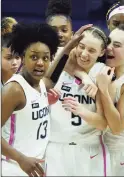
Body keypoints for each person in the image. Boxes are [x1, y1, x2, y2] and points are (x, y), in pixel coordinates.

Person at [1, 22, 90, 176]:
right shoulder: (14, 90)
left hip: (35, 165)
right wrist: (21, 159)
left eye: (45, 58)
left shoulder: (40, 84)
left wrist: (69, 46)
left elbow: (52, 77)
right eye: (34, 57)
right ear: (22, 57)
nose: (40, 63)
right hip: (13, 166)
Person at [45, 26, 113, 176]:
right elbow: (49, 77)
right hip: (56, 147)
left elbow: (102, 123)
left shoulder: (101, 73)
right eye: (81, 46)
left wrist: (80, 110)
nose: (84, 54)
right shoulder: (58, 60)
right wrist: (83, 76)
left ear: (102, 52)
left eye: (92, 50)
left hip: (89, 150)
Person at [95, 24, 124, 176]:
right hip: (105, 150)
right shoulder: (108, 73)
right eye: (108, 42)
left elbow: (117, 127)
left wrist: (103, 90)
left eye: (117, 45)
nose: (109, 48)